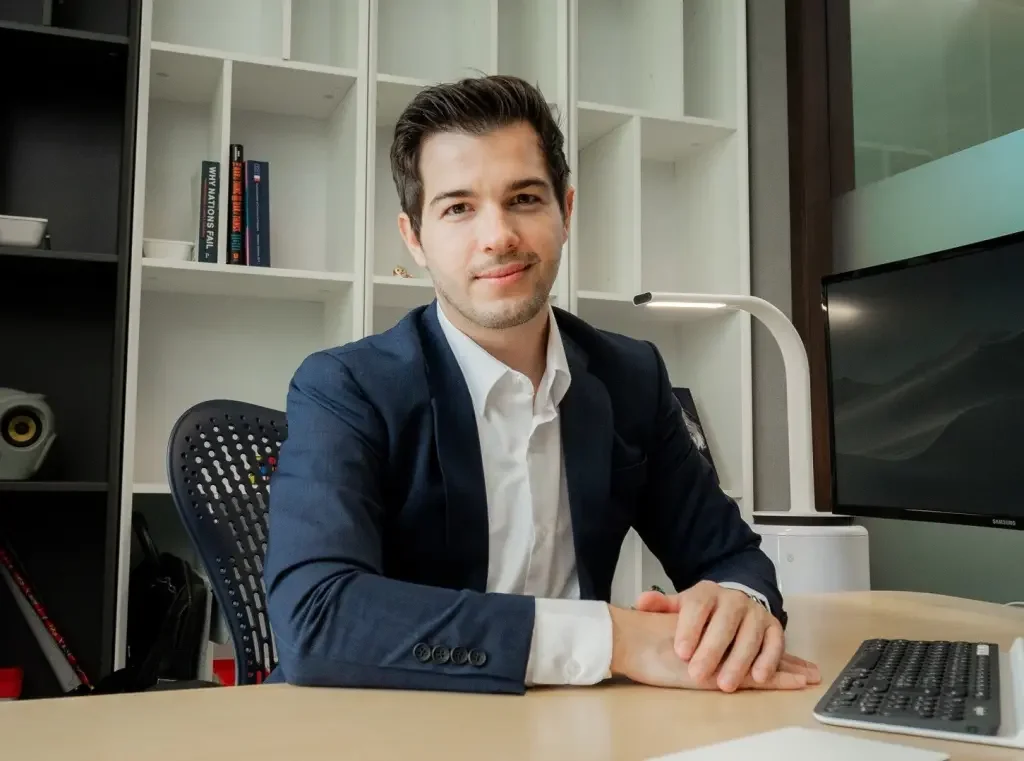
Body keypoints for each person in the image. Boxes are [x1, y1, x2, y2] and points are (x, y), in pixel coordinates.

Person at [263, 74, 820, 696]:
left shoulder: (631, 376)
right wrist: (615, 638)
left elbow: (732, 557)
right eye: (458, 208)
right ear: (414, 238)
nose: (498, 235)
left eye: (524, 199)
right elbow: (316, 619)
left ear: (566, 212)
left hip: (577, 727)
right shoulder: (345, 386)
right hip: (391, 721)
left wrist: (738, 606)